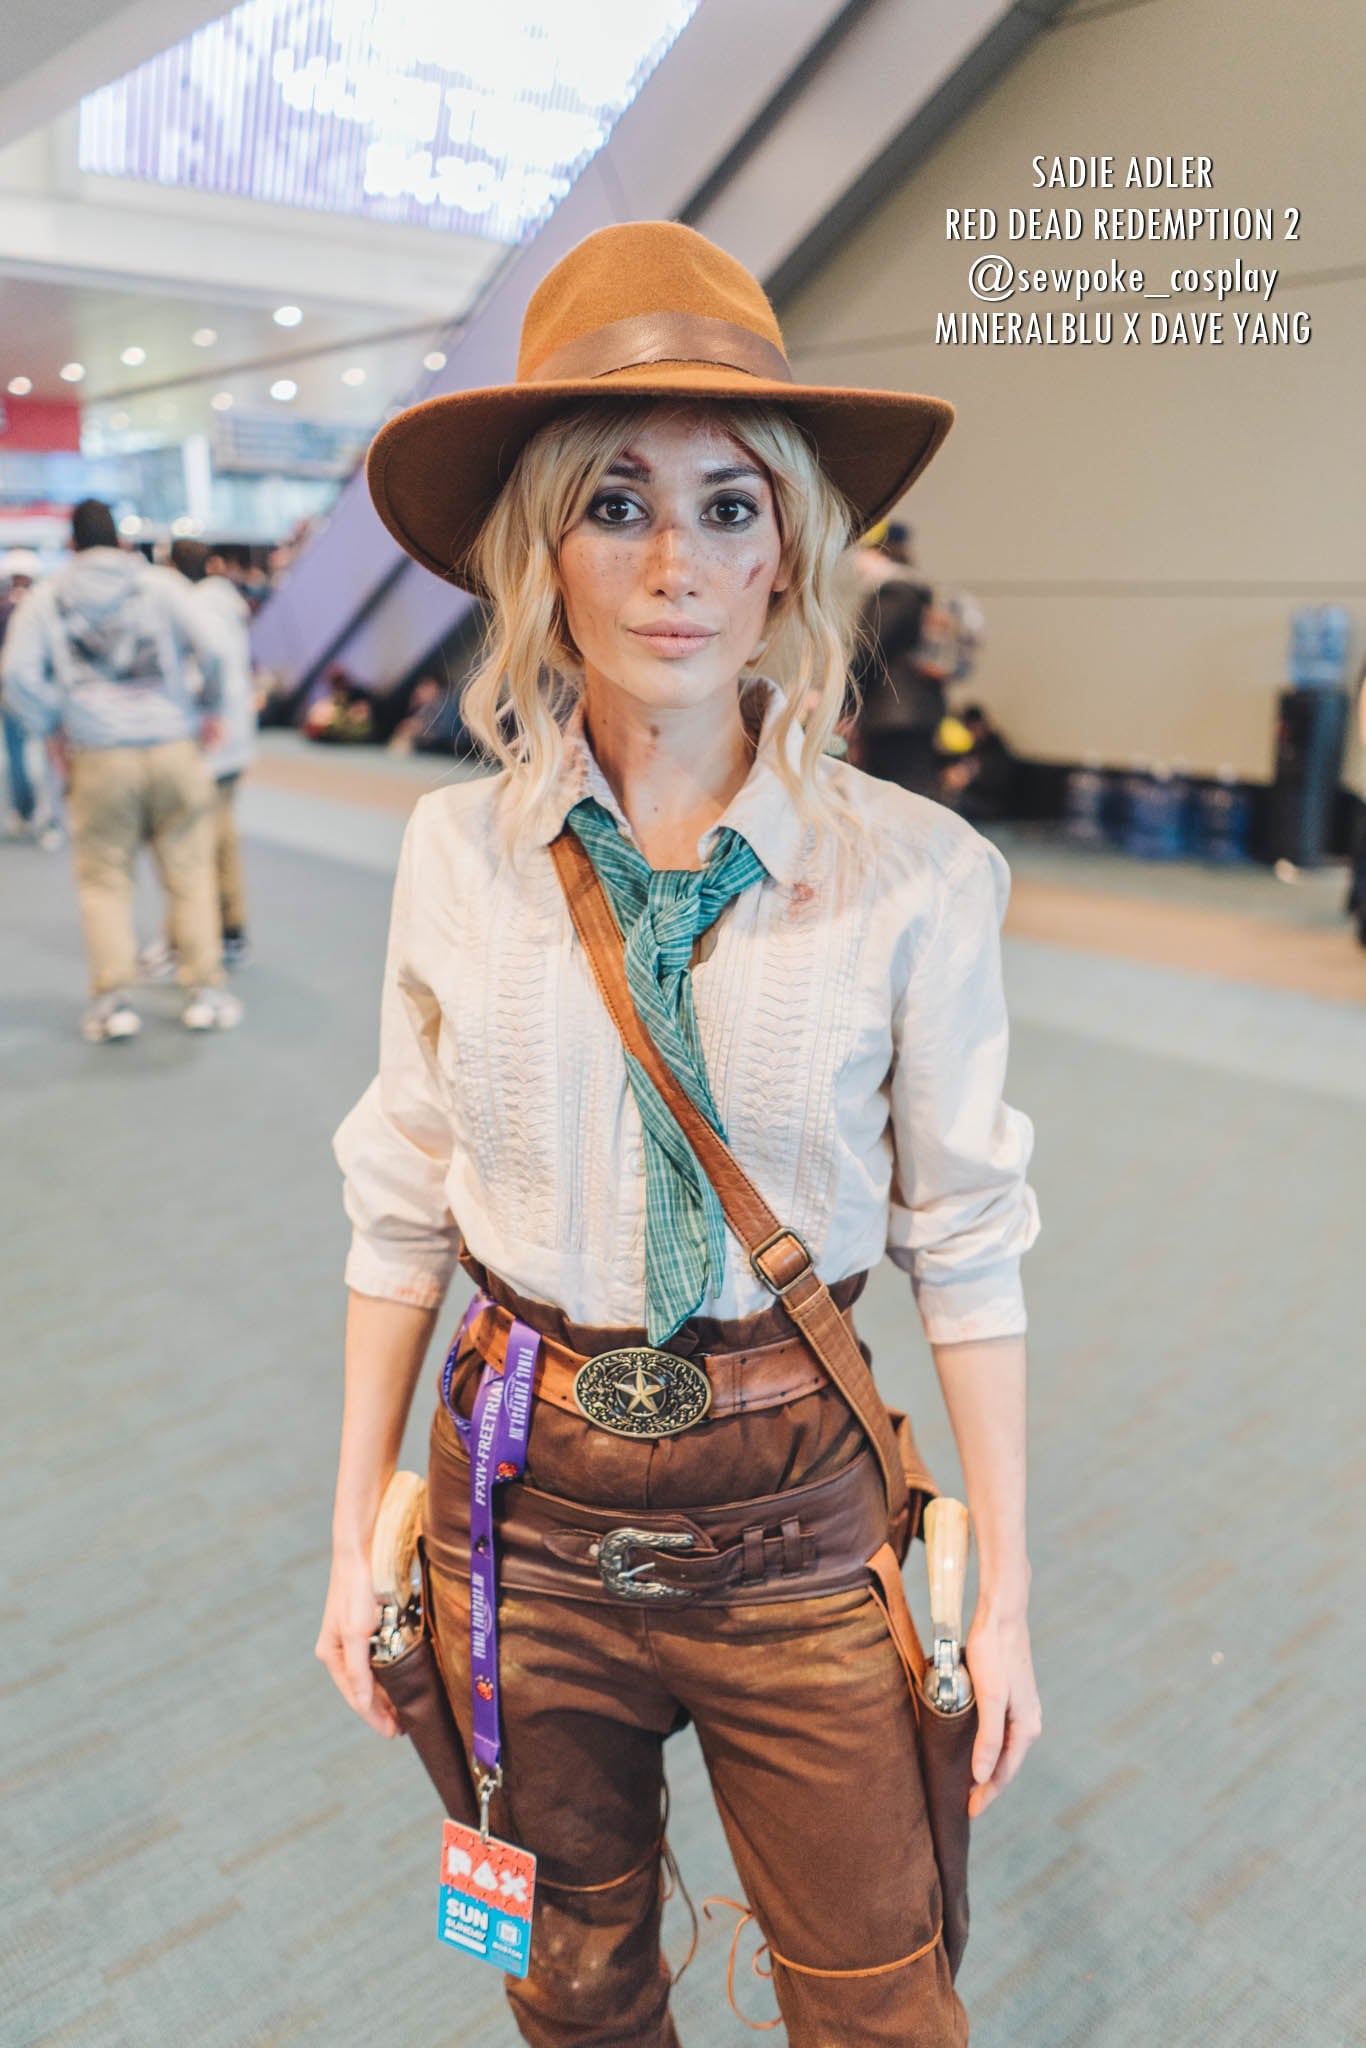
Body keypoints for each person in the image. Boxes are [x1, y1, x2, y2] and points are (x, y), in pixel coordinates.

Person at [318, 222, 1041, 2047]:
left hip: (794, 1517)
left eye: (730, 506)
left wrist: (1011, 1599)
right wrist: (347, 1534)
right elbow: (400, 1204)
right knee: (571, 1982)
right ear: (539, 549)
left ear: (789, 545)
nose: (676, 566)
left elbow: (967, 1241)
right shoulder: (453, 856)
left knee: (877, 1999)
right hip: (517, 1509)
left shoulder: (918, 876)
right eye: (614, 503)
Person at [0, 498, 242, 1040]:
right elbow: (216, 650)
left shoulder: (47, 596)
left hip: (98, 754)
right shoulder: (161, 586)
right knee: (190, 870)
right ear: (123, 541)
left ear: (71, 544)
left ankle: (113, 1003)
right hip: (172, 745)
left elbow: (15, 675)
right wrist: (209, 708)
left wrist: (54, 723)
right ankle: (205, 992)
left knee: (104, 880)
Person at [165, 539, 257, 968]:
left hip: (211, 741)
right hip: (235, 739)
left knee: (191, 843)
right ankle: (229, 930)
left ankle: (188, 939)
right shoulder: (227, 603)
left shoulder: (196, 606)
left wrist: (207, 708)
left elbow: (207, 664)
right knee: (221, 839)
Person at [0, 550, 63, 848]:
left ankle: (25, 812)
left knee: (19, 756)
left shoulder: (5, 608)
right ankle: (48, 819)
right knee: (48, 758)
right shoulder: (45, 608)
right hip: (44, 693)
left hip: (12, 693)